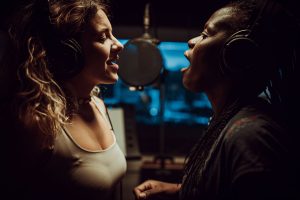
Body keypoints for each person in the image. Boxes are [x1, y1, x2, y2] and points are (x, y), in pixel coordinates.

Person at [133, 0, 300, 199]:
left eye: (205, 35)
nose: (191, 41)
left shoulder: (251, 137)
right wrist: (179, 190)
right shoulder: (229, 121)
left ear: (237, 53)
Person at [0, 0, 126, 199]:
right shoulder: (37, 122)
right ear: (69, 53)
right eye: (103, 37)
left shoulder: (98, 105)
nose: (118, 45)